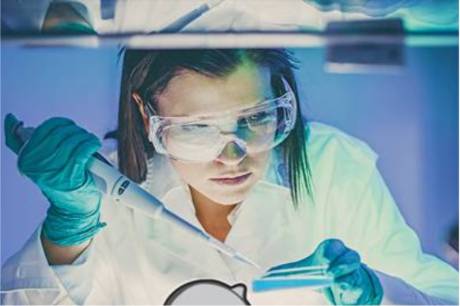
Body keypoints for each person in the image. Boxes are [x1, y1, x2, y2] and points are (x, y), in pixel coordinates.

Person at [1, 48, 458, 305]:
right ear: (145, 114)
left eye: (256, 118)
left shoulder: (333, 167)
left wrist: (376, 296)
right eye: (196, 129)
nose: (232, 156)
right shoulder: (99, 183)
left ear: (283, 101)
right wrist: (65, 238)